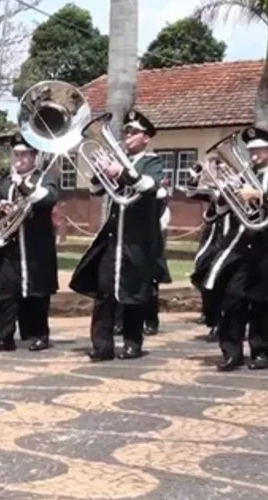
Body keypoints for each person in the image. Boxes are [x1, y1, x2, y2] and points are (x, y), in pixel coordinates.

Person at [196, 126, 268, 371]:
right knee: (231, 299)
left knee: (263, 303)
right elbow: (220, 212)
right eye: (251, 151)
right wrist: (222, 195)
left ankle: (261, 352)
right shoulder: (240, 176)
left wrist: (258, 195)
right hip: (239, 245)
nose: (255, 155)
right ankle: (232, 352)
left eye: (260, 150)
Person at [69, 109, 165, 361]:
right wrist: (100, 171)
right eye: (126, 132)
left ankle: (133, 343)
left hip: (138, 239)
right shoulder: (118, 159)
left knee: (134, 293)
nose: (128, 136)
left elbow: (148, 186)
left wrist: (119, 171)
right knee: (104, 293)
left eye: (134, 132)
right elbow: (96, 191)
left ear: (146, 138)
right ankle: (102, 346)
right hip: (113, 238)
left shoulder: (152, 162)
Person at [0, 132, 58, 353]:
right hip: (11, 248)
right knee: (4, 292)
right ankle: (1, 337)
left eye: (24, 154)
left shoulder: (45, 177)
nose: (19, 159)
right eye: (16, 154)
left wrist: (23, 186)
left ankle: (39, 335)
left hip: (37, 248)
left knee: (37, 293)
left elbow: (48, 198)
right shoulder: (7, 182)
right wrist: (0, 209)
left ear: (34, 155)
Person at [186, 163, 232, 342]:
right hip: (214, 241)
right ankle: (213, 317)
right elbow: (191, 193)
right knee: (204, 276)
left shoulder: (240, 186)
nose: (219, 171)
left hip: (232, 240)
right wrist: (195, 176)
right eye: (217, 167)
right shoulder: (214, 189)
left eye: (222, 167)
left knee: (227, 284)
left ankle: (223, 324)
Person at [144, 176, 173, 336]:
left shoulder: (160, 199)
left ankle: (151, 322)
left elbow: (161, 222)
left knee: (151, 288)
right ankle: (121, 322)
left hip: (152, 248)